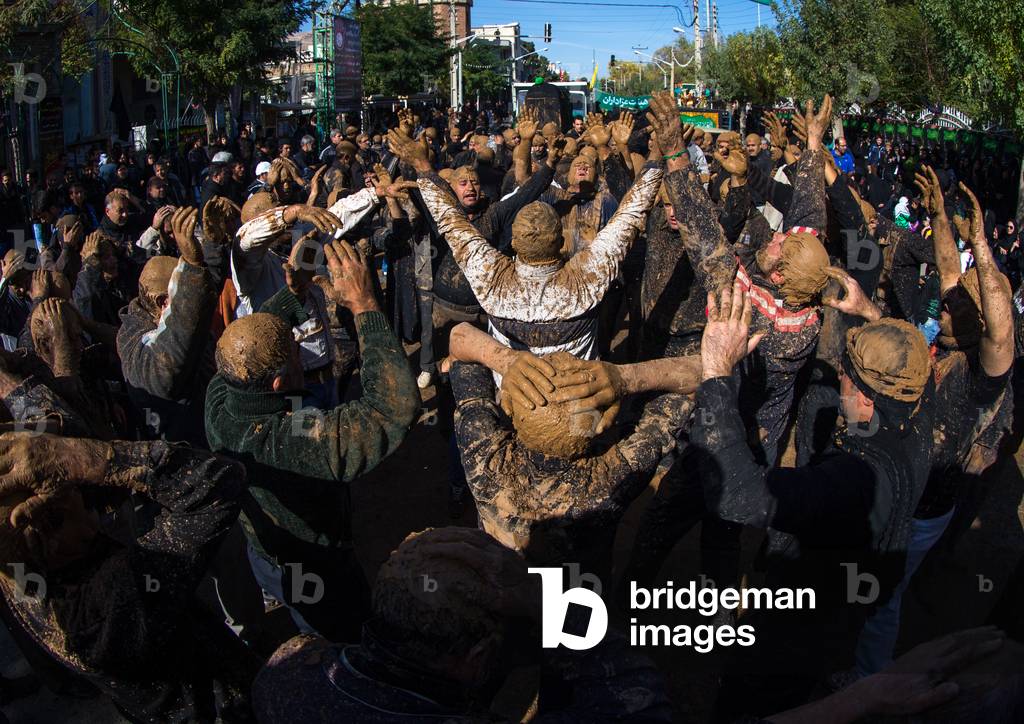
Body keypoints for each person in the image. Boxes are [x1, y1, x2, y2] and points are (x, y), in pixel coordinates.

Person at [205, 238, 419, 641]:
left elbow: (252, 335)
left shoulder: (222, 394)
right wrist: (365, 306)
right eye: (295, 351)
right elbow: (391, 411)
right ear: (281, 381)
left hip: (265, 552)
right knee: (342, 635)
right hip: (315, 567)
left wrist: (294, 293)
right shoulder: (288, 439)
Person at [0, 431, 258, 722]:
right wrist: (81, 458)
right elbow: (220, 480)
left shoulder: (21, 570)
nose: (79, 490)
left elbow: (76, 436)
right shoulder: (114, 596)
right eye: (67, 488)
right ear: (45, 526)